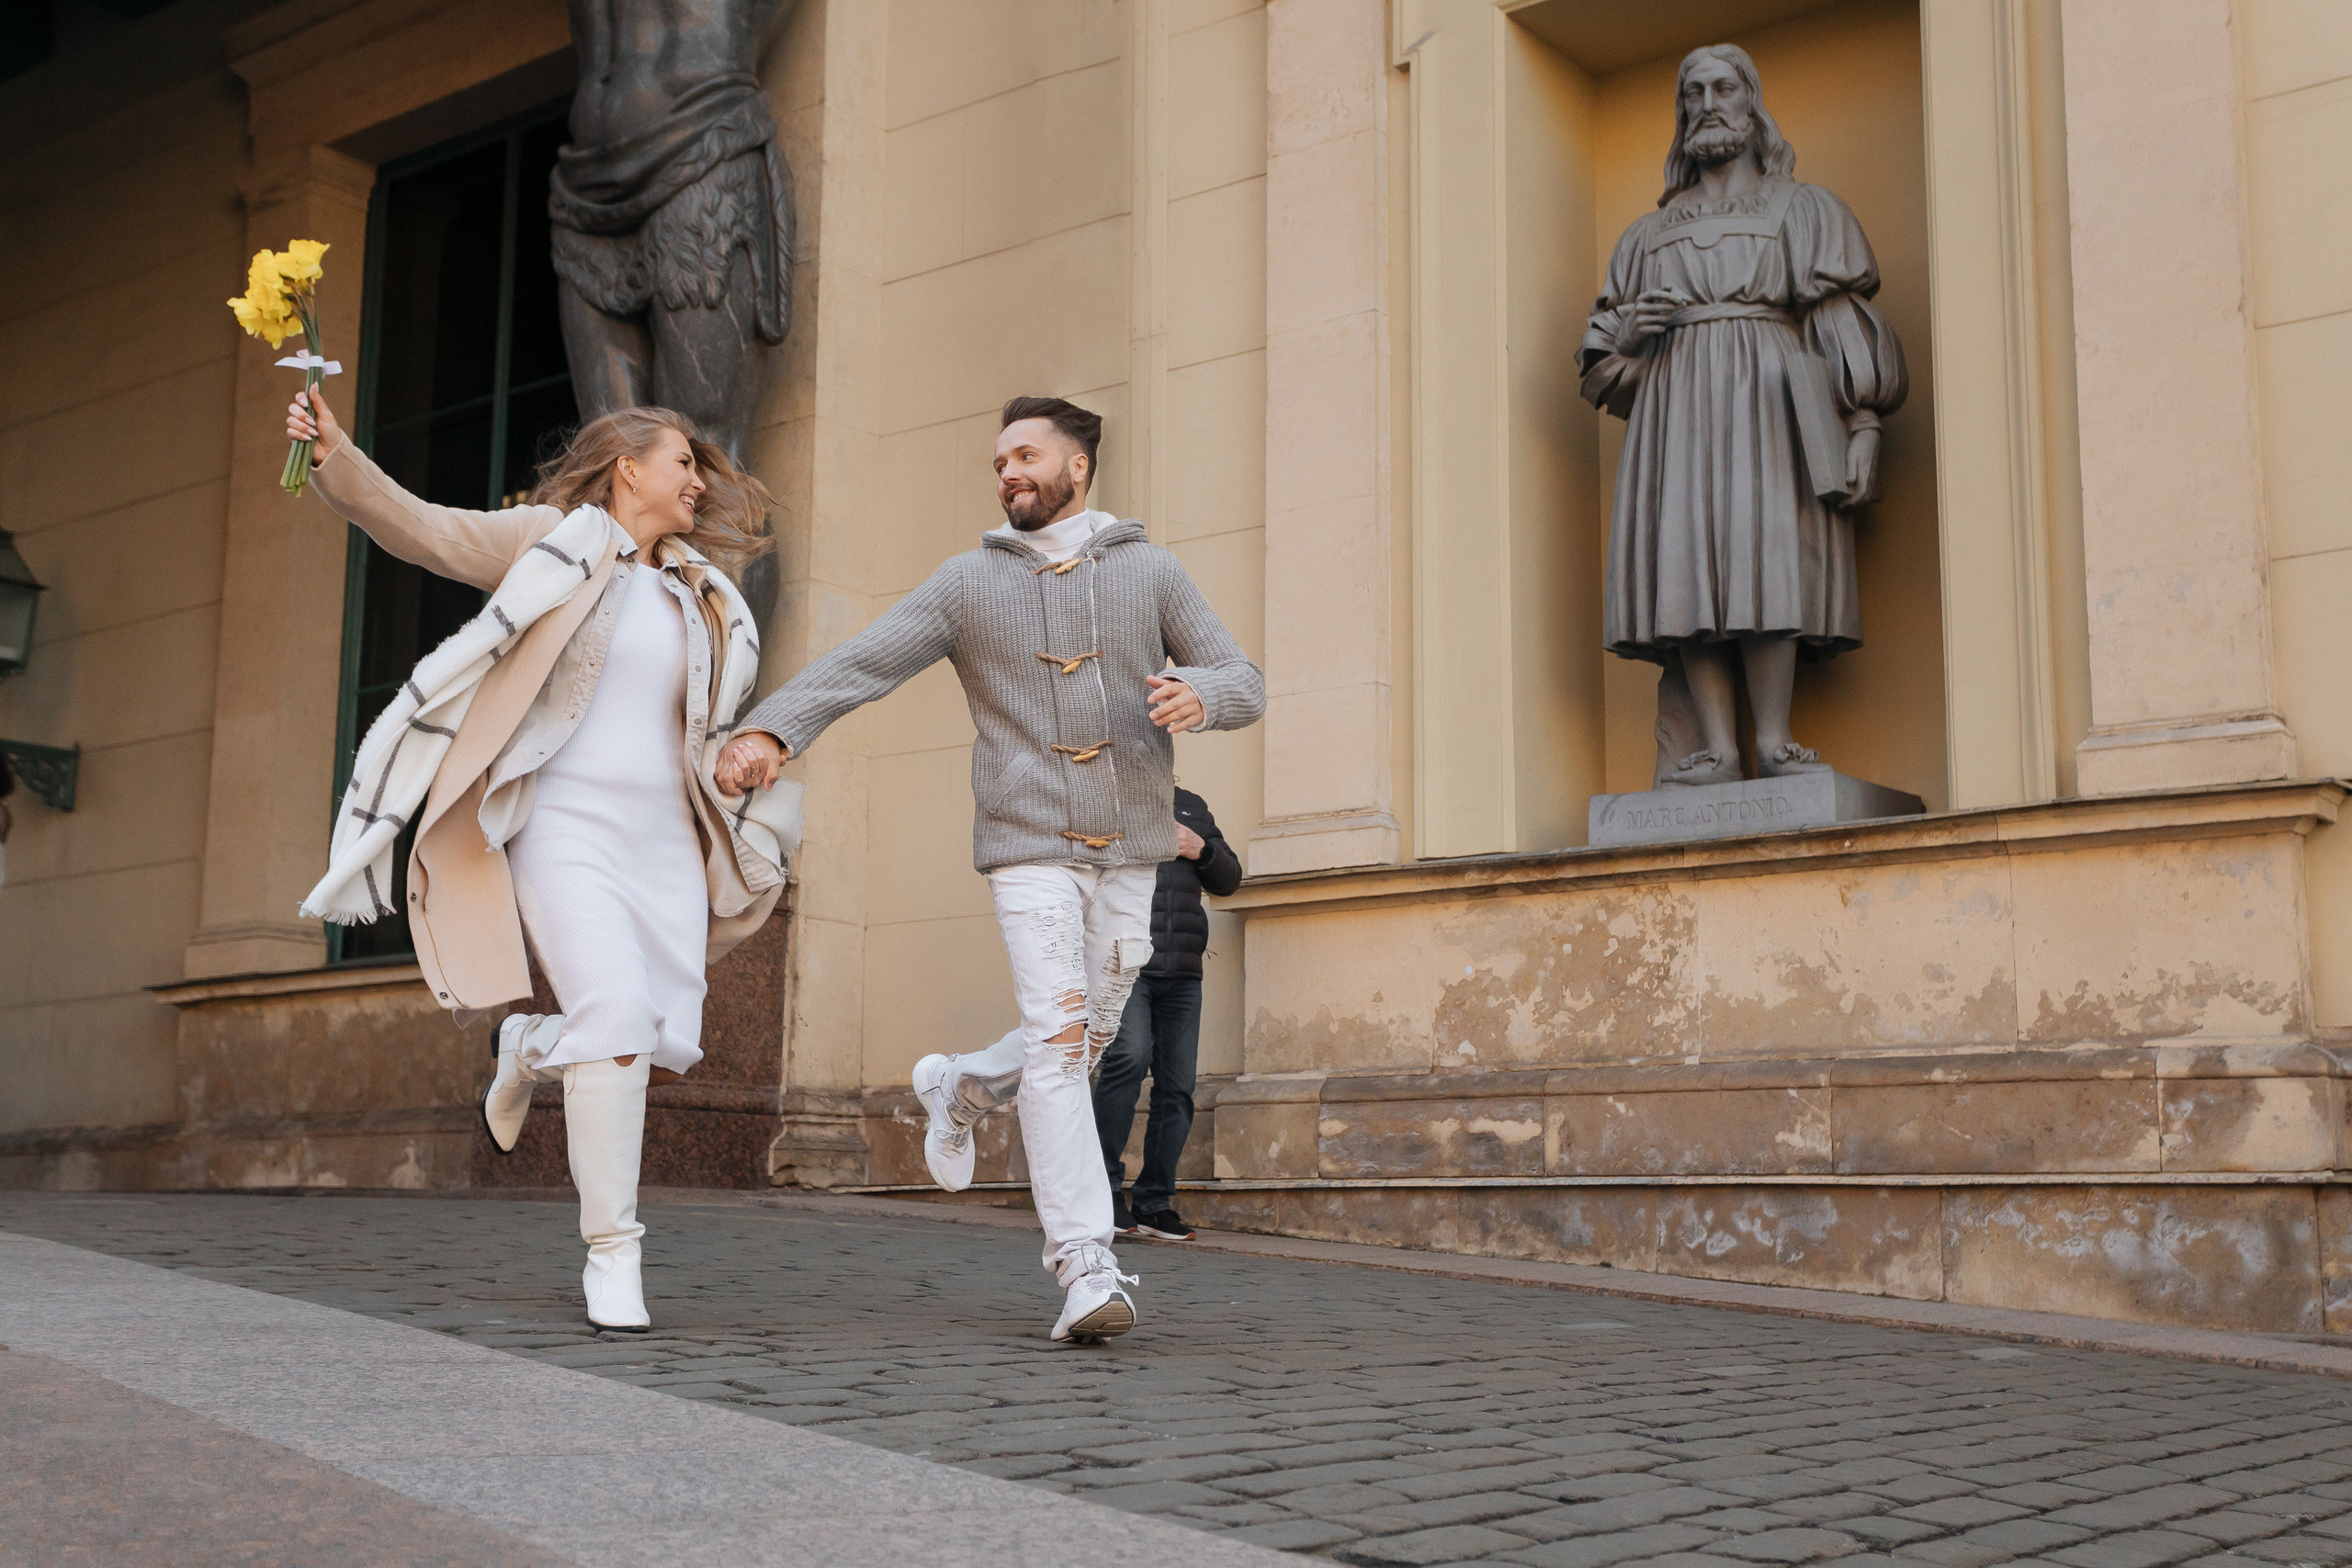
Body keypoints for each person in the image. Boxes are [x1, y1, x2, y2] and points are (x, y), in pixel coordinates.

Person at [715, 396, 1264, 1344]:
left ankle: (964, 1084)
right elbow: (865, 661)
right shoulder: (968, 583)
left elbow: (1244, 682)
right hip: (1025, 839)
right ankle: (1084, 1265)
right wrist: (774, 728)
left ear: (1076, 468)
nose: (1007, 471)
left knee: (1090, 1036)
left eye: (1025, 455)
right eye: (998, 460)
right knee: (1060, 1041)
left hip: (1132, 843)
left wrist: (1200, 694)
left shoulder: (1151, 571)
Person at [285, 387, 796, 1333]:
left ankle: (528, 1047)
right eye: (682, 461)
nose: (696, 479)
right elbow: (422, 530)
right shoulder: (549, 541)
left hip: (666, 841)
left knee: (664, 1044)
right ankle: (613, 1251)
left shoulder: (702, 593)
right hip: (563, 825)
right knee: (614, 1018)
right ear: (627, 466)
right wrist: (335, 455)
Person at [1579, 43, 1905, 788]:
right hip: (1677, 407)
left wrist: (1863, 425)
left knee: (1771, 557)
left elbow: (1840, 320)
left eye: (1723, 87)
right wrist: (1629, 337)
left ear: (1751, 102)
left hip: (1773, 404)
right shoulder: (1644, 236)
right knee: (1687, 562)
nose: (1707, 103)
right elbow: (1603, 364)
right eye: (1691, 92)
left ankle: (1775, 738)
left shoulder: (1804, 210)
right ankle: (1720, 750)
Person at [1093, 786, 1240, 1242]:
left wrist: (1201, 848)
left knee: (1178, 1089)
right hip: (1127, 963)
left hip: (1183, 971)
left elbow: (1229, 878)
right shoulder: (1107, 798)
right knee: (1128, 1060)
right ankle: (1102, 1192)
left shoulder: (1193, 805)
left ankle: (1155, 1202)